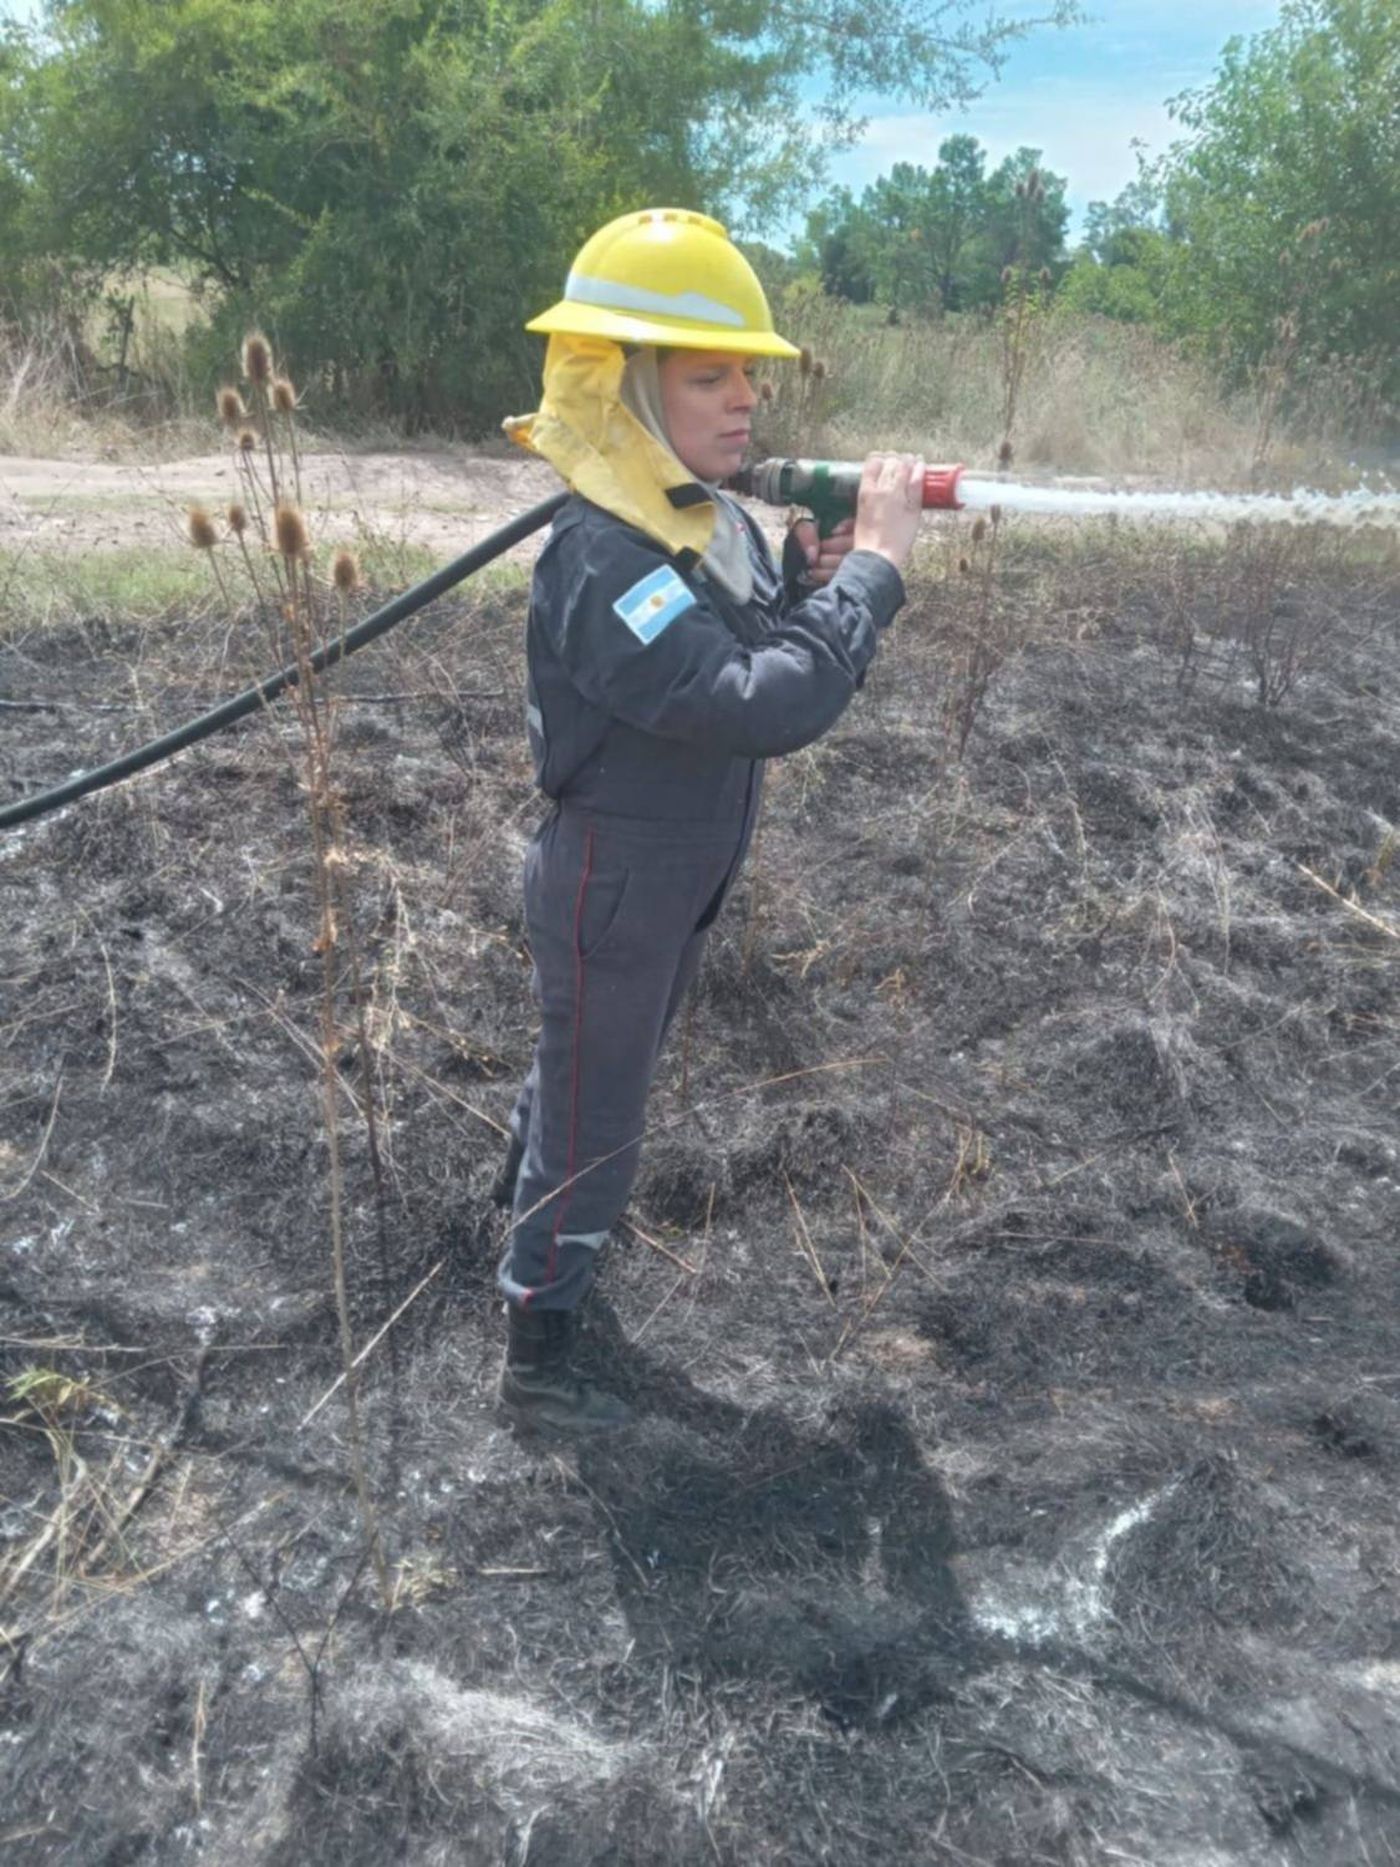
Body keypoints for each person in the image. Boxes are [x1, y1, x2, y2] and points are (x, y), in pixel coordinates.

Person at [494, 207, 924, 1429]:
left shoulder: (690, 519)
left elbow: (744, 638)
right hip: (613, 875)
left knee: (580, 1077)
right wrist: (875, 582)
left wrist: (816, 580)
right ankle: (538, 1354)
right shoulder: (599, 552)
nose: (745, 399)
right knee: (596, 1118)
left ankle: (517, 1225)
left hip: (675, 872)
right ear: (626, 387)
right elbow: (750, 698)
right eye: (708, 374)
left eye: (748, 372)